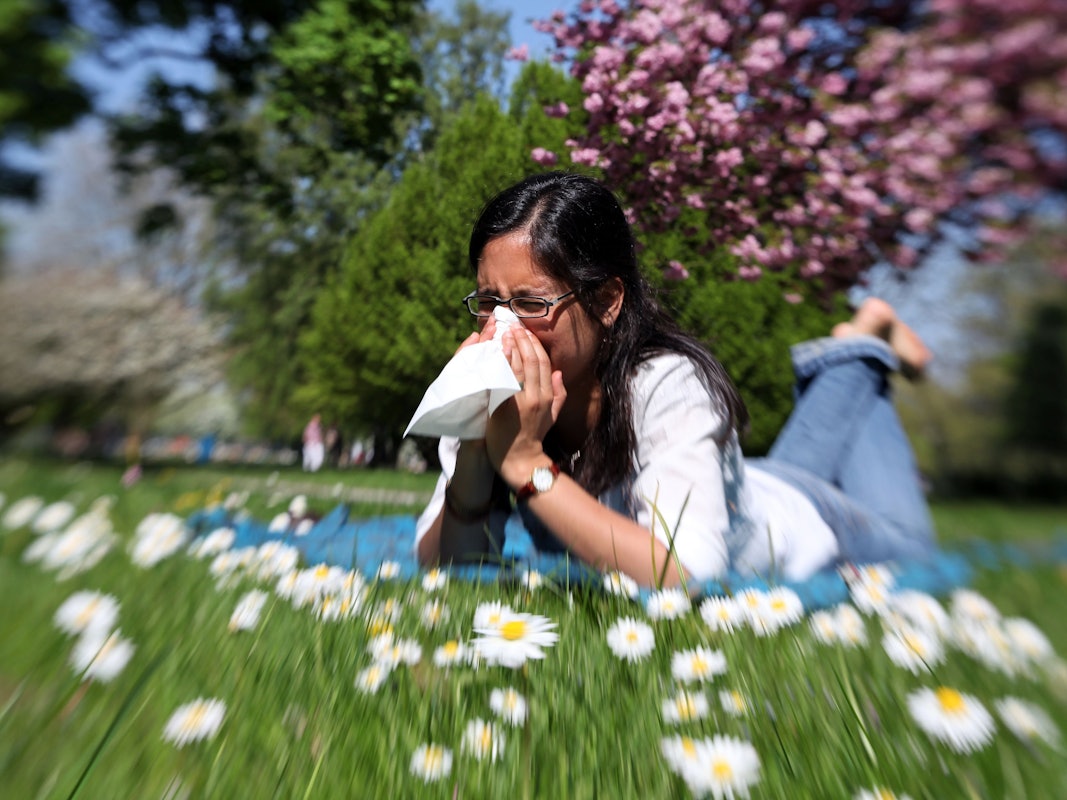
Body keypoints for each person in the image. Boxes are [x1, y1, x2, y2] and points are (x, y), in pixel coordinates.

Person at [415, 172, 936, 587]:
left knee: (915, 551)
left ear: (606, 301)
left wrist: (526, 464)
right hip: (737, 485)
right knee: (782, 472)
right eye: (489, 302)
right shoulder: (491, 391)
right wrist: (477, 454)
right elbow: (447, 571)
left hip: (809, 522)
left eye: (531, 303)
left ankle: (861, 352)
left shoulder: (667, 383)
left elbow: (687, 574)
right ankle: (859, 345)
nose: (502, 328)